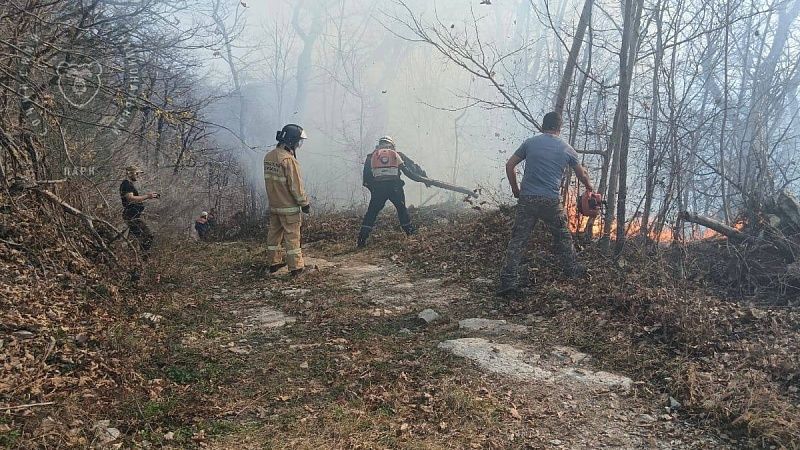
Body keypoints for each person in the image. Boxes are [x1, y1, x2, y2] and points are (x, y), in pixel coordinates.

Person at [498, 112, 593, 296]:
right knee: (563, 236)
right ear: (559, 128)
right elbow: (582, 175)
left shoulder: (530, 143)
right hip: (550, 201)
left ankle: (508, 282)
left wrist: (515, 190)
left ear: (543, 126)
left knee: (518, 240)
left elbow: (510, 165)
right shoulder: (567, 149)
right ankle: (572, 271)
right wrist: (590, 188)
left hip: (528, 199)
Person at [357, 136, 426, 248]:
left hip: (378, 189)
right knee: (402, 210)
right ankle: (411, 234)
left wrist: (374, 190)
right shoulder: (397, 154)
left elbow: (366, 178)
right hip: (395, 188)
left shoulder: (371, 157)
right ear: (392, 145)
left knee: (371, 213)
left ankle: (361, 239)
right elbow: (412, 168)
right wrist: (424, 177)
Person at [263, 124, 310, 276]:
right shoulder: (288, 160)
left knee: (274, 236)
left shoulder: (269, 157)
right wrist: (305, 204)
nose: (298, 145)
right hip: (289, 208)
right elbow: (296, 186)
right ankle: (296, 268)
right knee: (292, 238)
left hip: (274, 206)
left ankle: (273, 263)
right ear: (291, 141)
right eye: (298, 141)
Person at [119, 165, 158, 256]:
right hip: (131, 215)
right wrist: (147, 196)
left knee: (136, 237)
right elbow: (130, 198)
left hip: (133, 214)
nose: (138, 176)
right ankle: (140, 258)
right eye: (137, 173)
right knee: (145, 236)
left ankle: (137, 258)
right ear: (130, 174)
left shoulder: (129, 184)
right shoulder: (126, 184)